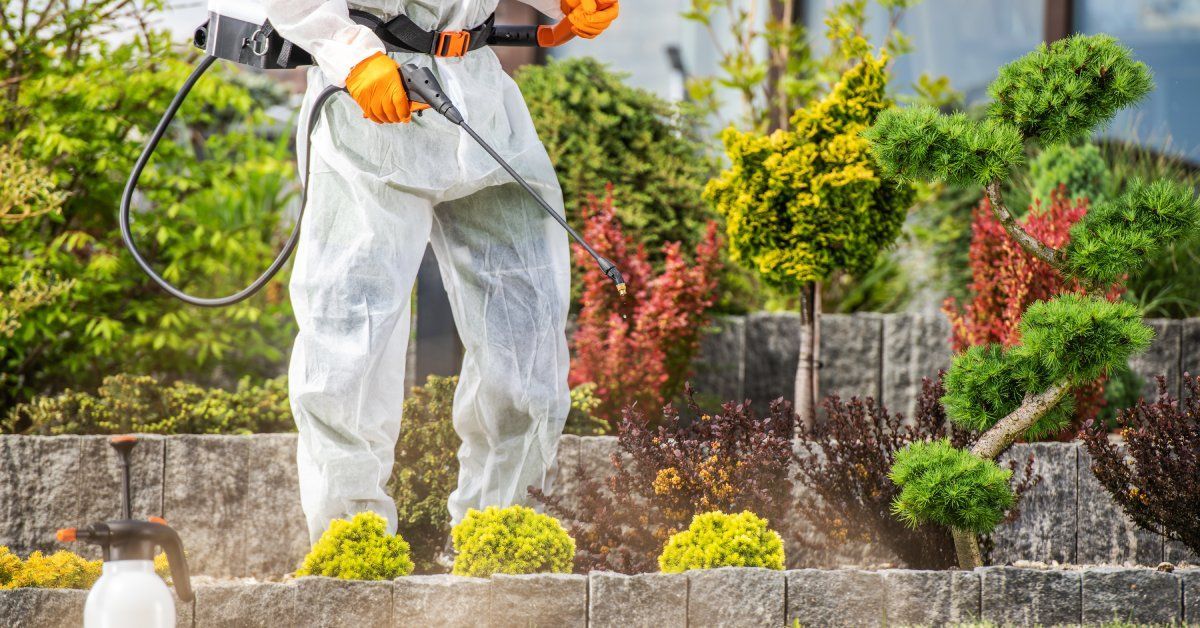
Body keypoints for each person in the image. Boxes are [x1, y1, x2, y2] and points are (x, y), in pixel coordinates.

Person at [261, 0, 619, 543]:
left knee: (527, 337)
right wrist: (348, 52)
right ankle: (351, 549)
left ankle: (499, 535)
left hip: (479, 94)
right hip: (375, 97)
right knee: (348, 341)